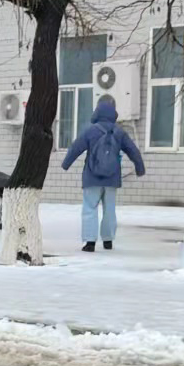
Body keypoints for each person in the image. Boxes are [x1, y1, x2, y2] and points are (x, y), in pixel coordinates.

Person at [60, 97, 145, 252]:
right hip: (112, 179)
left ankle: (90, 242)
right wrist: (140, 168)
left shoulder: (90, 131)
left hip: (92, 177)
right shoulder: (119, 132)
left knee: (90, 208)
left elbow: (75, 148)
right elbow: (133, 151)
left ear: (97, 112)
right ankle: (108, 240)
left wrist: (66, 164)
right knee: (109, 209)